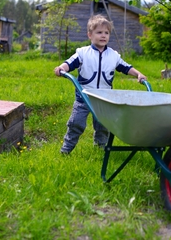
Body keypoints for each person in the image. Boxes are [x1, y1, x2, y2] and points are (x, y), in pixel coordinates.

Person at [54, 14, 147, 154]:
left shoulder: (113, 55)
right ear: (90, 35)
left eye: (106, 33)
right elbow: (69, 63)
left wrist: (138, 74)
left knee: (103, 126)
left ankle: (100, 149)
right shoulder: (82, 53)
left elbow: (126, 67)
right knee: (76, 124)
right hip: (84, 98)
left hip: (104, 99)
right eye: (99, 32)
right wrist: (62, 68)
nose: (103, 36)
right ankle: (65, 150)